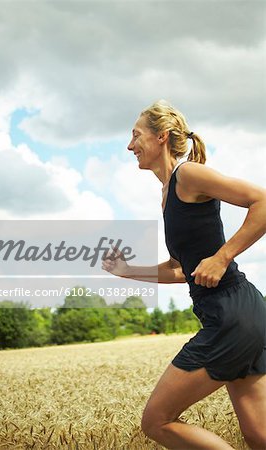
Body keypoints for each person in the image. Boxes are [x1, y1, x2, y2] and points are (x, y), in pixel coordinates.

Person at [102, 99, 266, 450]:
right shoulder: (167, 194)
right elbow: (182, 271)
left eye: (136, 136)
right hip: (242, 313)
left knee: (157, 421)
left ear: (161, 137)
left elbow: (262, 201)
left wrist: (223, 257)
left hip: (230, 315)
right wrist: (127, 271)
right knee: (259, 436)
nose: (130, 146)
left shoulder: (189, 174)